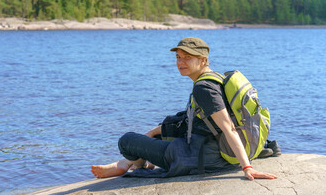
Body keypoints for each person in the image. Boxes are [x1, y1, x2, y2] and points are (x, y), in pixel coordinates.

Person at [91, 37, 278, 180]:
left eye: (187, 58)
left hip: (200, 157)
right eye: (178, 57)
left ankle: (127, 163)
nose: (180, 62)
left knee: (127, 140)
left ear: (203, 60)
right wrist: (156, 131)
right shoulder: (216, 78)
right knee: (164, 127)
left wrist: (247, 168)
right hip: (213, 149)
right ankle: (132, 161)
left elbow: (228, 127)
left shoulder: (204, 88)